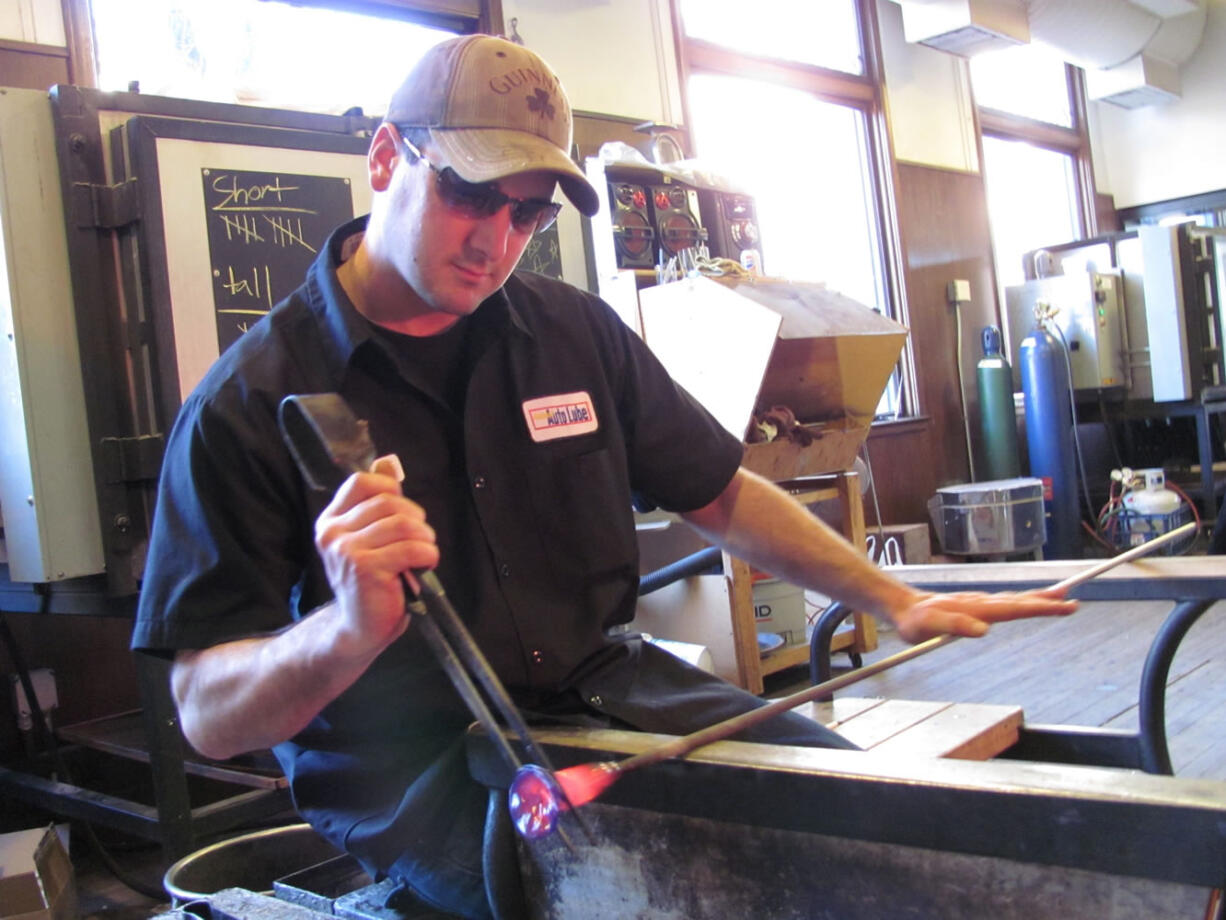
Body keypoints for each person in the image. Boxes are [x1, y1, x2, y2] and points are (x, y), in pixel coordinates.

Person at [132, 33, 1076, 920]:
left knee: (866, 826)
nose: (494, 243)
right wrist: (342, 633)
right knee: (669, 888)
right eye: (469, 194)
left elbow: (722, 490)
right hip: (419, 773)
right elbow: (206, 715)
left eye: (527, 213)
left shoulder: (573, 334)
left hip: (612, 696)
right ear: (387, 160)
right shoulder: (248, 404)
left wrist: (887, 595)